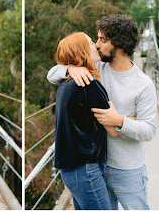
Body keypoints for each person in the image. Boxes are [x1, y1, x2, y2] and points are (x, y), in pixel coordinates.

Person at [47, 14, 157, 210]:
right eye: (96, 39)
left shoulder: (144, 84)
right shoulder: (95, 68)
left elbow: (149, 130)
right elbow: (51, 74)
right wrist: (69, 70)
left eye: (103, 40)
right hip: (97, 166)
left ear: (120, 45)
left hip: (127, 169)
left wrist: (120, 120)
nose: (97, 45)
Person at [53, 32, 112, 210]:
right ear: (82, 51)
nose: (96, 46)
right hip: (85, 168)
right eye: (91, 43)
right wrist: (134, 118)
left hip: (72, 170)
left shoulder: (67, 82)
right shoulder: (88, 83)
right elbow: (112, 125)